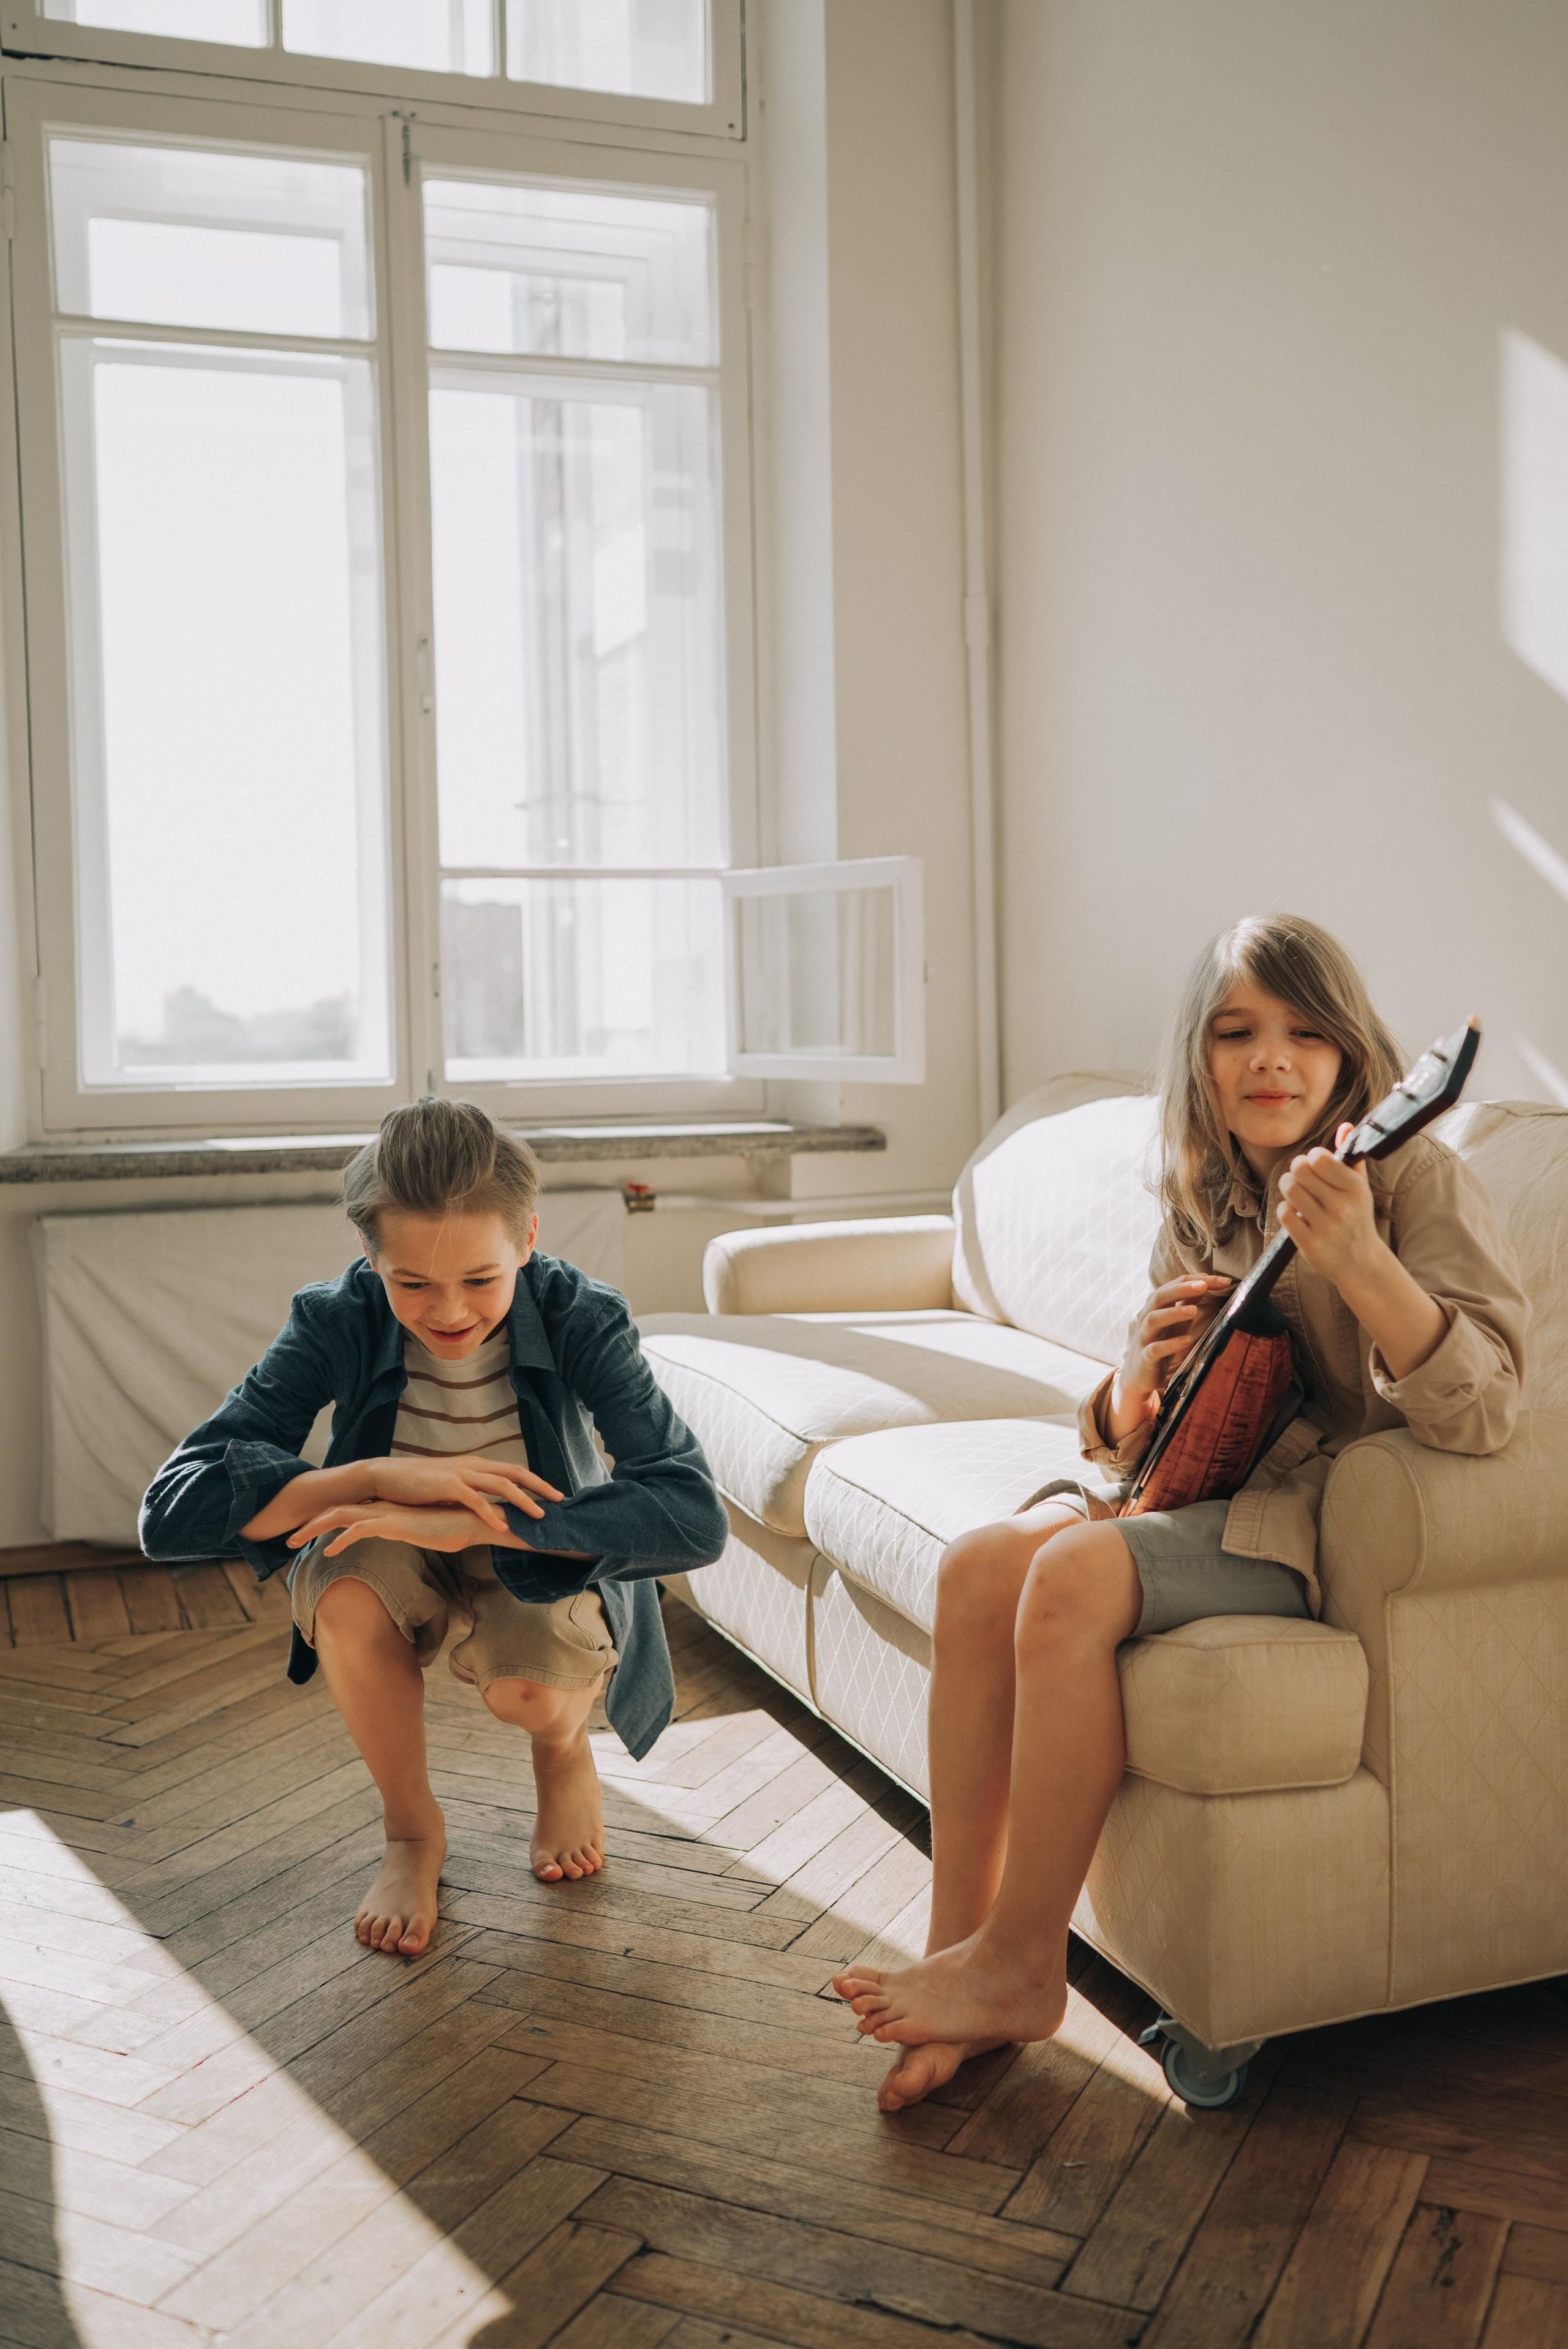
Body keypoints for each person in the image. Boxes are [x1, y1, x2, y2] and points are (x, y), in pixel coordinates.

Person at [834, 913, 1528, 2110]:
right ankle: (963, 1950)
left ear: (1354, 1057)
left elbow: (1484, 1413)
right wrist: (1128, 1381)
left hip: (1313, 1530)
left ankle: (1019, 1964)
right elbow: (1144, 1439)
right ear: (1196, 1061)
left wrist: (1362, 1262)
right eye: (1234, 1032)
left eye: (1304, 1033)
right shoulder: (1203, 1197)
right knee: (976, 1569)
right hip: (1199, 1500)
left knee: (1064, 1581)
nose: (1270, 1057)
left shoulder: (1412, 1174)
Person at [141, 1098, 728, 1959]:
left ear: (528, 1239)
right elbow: (171, 1512)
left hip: (530, 1542)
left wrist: (471, 1523)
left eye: (481, 1280)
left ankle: (563, 1751)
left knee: (526, 1696)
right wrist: (375, 1477)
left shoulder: (580, 1315)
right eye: (411, 1282)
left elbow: (690, 1515)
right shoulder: (335, 1316)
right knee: (342, 1588)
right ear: (370, 1258)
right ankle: (411, 1835)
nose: (449, 1312)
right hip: (387, 1539)